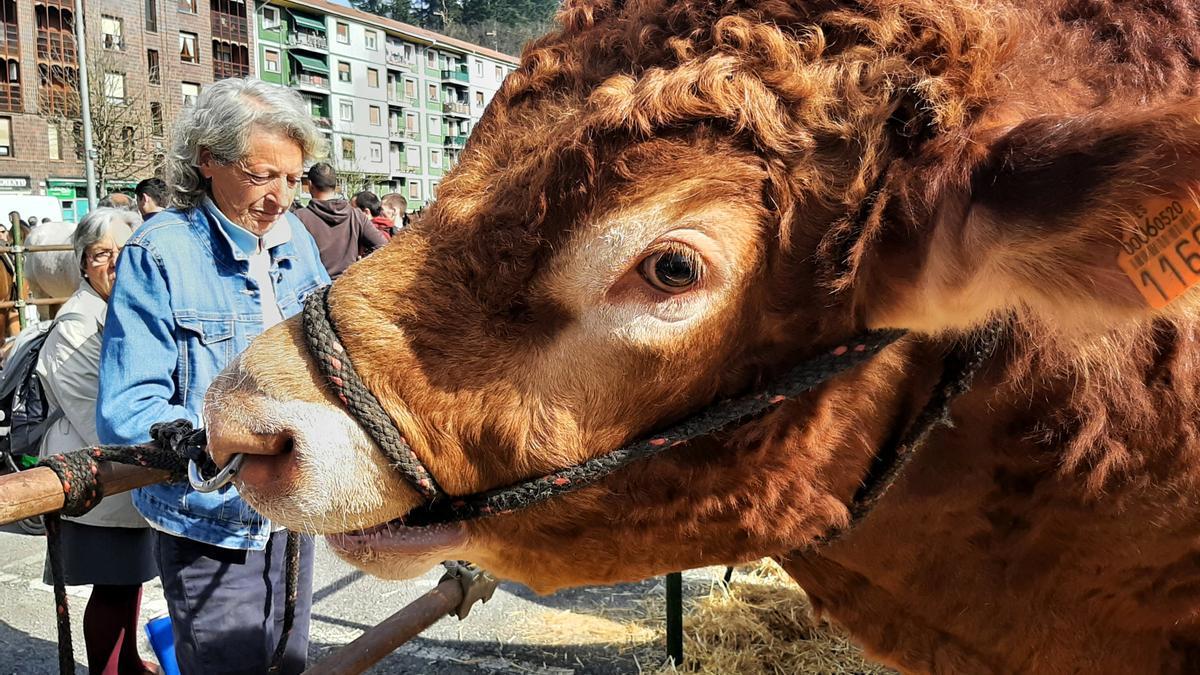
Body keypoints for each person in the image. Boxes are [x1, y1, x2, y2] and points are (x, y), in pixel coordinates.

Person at [96, 78, 329, 675]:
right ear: (207, 160)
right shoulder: (161, 250)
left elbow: (327, 349)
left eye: (293, 179)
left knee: (290, 665)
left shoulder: (294, 236)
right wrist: (214, 438)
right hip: (210, 521)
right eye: (262, 175)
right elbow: (128, 404)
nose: (280, 198)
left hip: (292, 509)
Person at [36, 207, 155, 675]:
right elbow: (96, 419)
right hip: (96, 478)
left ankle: (125, 662)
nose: (113, 262)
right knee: (112, 587)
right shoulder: (75, 326)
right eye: (100, 253)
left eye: (123, 251)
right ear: (83, 262)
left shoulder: (122, 309)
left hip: (127, 473)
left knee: (129, 581)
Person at [294, 163, 387, 278]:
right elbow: (383, 247)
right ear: (336, 185)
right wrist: (360, 267)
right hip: (347, 289)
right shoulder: (356, 215)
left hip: (314, 289)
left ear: (309, 184)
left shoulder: (299, 218)